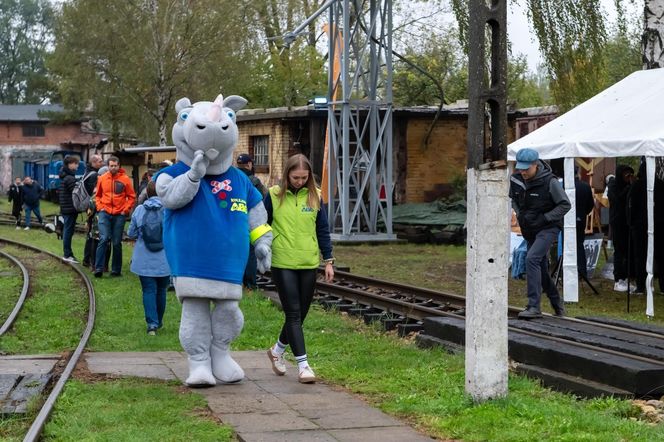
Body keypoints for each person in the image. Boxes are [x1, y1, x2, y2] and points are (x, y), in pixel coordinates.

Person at [265, 154, 334, 383]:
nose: (300, 182)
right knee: (293, 313)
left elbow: (322, 230)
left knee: (301, 314)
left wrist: (329, 260)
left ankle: (276, 351)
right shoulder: (274, 195)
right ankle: (304, 366)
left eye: (304, 178)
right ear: (287, 175)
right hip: (282, 261)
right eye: (296, 177)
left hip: (308, 262)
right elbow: (262, 224)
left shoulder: (316, 196)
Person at [509, 148, 570, 319]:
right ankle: (557, 303)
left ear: (536, 165)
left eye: (526, 169)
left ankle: (533, 306)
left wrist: (547, 218)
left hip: (548, 228)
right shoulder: (516, 179)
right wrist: (520, 214)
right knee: (540, 268)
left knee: (532, 259)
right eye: (520, 168)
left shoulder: (550, 182)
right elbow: (513, 199)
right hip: (529, 228)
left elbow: (565, 205)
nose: (523, 172)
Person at [127, 181, 171, 335]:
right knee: (161, 290)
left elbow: (131, 233)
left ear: (147, 193)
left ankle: (151, 324)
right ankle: (158, 321)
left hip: (143, 258)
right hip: (164, 258)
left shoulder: (139, 210)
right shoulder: (169, 210)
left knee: (148, 290)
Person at [94, 156, 136, 278]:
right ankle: (98, 268)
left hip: (119, 214)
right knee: (103, 238)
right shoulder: (102, 178)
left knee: (117, 242)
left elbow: (131, 196)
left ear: (119, 166)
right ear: (108, 166)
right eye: (111, 165)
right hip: (104, 212)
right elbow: (98, 195)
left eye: (115, 165)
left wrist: (125, 210)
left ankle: (116, 270)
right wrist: (100, 207)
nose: (113, 167)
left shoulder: (125, 179)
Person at [237, 153, 268, 289]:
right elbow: (263, 200)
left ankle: (239, 281)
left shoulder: (233, 178)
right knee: (250, 253)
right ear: (249, 164)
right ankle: (250, 284)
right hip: (251, 220)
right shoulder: (254, 181)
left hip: (236, 219)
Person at [607, 165, 635, 292]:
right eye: (626, 174)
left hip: (628, 221)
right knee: (619, 250)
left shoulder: (629, 186)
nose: (628, 176)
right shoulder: (613, 185)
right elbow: (617, 199)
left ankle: (628, 276)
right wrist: (628, 187)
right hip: (617, 221)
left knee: (629, 250)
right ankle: (618, 279)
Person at [82, 155, 104, 268]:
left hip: (89, 207)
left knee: (90, 234)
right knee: (92, 235)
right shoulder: (94, 175)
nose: (102, 162)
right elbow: (94, 193)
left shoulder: (87, 172)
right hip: (93, 207)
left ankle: (86, 259)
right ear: (94, 163)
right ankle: (89, 259)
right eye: (100, 161)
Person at [59, 155, 81, 263]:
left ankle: (67, 254)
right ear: (70, 164)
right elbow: (76, 193)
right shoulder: (70, 178)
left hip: (66, 208)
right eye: (75, 163)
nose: (77, 165)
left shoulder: (65, 176)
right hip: (70, 208)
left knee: (67, 230)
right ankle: (67, 254)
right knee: (68, 231)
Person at [574, 167, 595, 279]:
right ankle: (582, 271)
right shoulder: (585, 186)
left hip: (568, 218)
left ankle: (569, 271)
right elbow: (590, 204)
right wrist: (583, 213)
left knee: (567, 245)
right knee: (579, 245)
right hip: (580, 218)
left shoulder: (563, 186)